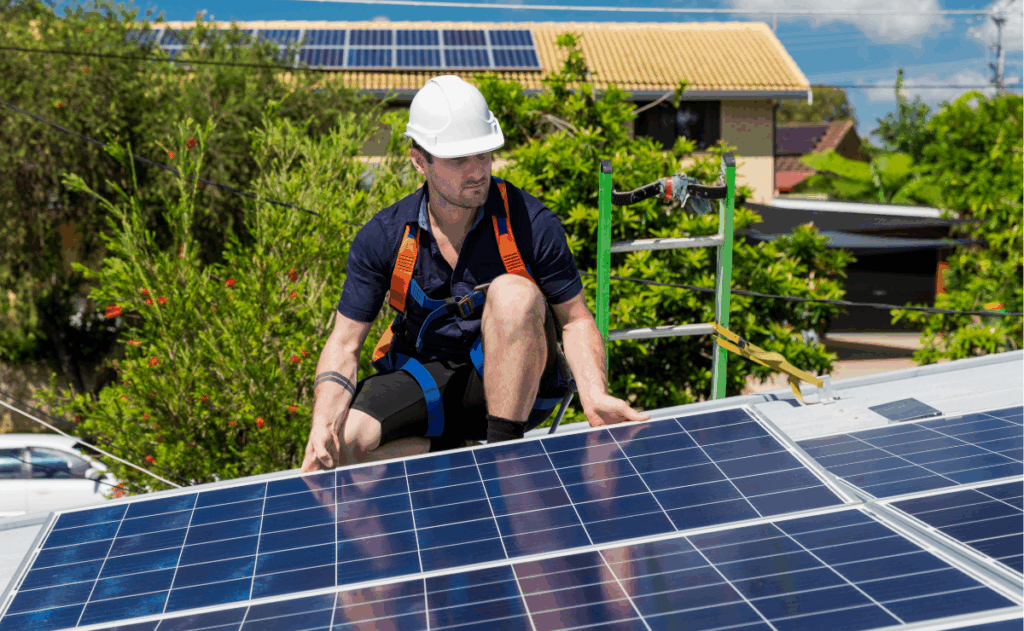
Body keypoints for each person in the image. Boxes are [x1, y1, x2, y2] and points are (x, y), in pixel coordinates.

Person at [301, 75, 648, 472]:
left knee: (514, 294)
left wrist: (594, 394)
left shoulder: (529, 222)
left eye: (482, 155)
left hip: (522, 382)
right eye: (458, 160)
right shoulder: (385, 236)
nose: (477, 171)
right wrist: (322, 423)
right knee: (345, 442)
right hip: (432, 376)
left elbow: (575, 320)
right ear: (419, 160)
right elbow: (345, 344)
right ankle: (454, 452)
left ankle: (503, 461)